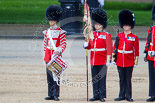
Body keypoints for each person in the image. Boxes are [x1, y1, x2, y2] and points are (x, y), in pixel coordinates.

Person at [83, 8, 113, 102]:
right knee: (94, 78)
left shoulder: (106, 35)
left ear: (102, 25)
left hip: (102, 60)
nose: (96, 26)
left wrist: (109, 60)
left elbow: (109, 48)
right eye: (95, 24)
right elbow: (91, 46)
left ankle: (102, 96)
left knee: (102, 79)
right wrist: (86, 45)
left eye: (98, 24)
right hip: (93, 59)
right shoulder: (92, 34)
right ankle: (95, 95)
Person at [113, 9, 139, 102]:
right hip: (120, 59)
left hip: (129, 60)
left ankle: (128, 95)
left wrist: (135, 61)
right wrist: (113, 58)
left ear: (131, 25)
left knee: (128, 79)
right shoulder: (119, 36)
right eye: (124, 25)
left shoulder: (134, 37)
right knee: (121, 79)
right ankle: (121, 95)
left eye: (127, 25)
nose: (126, 26)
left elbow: (136, 50)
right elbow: (115, 48)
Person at [43, 5, 67, 101]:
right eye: (49, 20)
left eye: (52, 20)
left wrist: (58, 51)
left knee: (56, 76)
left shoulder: (61, 32)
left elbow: (63, 44)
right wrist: (46, 54)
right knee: (49, 76)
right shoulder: (46, 32)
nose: (50, 21)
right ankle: (50, 94)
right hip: (48, 55)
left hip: (56, 56)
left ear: (56, 20)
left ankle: (56, 94)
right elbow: (45, 44)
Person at [144, 6, 155, 102]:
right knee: (152, 76)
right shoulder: (151, 29)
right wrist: (145, 53)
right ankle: (153, 94)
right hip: (151, 56)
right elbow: (148, 42)